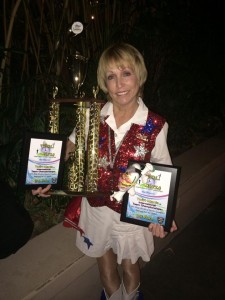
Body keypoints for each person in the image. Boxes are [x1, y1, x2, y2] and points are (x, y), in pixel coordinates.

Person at [32, 43, 177, 300]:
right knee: (105, 264)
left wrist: (161, 213)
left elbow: (161, 167)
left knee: (130, 267)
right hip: (95, 208)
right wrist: (44, 175)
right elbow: (70, 145)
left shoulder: (155, 124)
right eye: (111, 76)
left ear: (139, 76)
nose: (119, 84)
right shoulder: (94, 115)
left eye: (126, 73)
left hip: (130, 215)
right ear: (104, 83)